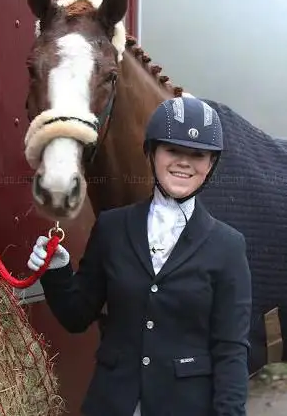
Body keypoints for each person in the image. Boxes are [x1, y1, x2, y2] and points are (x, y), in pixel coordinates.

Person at [28, 95, 252, 416]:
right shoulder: (112, 227)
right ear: (151, 151)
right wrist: (57, 270)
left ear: (211, 164)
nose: (184, 162)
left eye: (198, 154)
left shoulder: (229, 246)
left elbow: (231, 349)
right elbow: (76, 316)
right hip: (111, 402)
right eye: (173, 150)